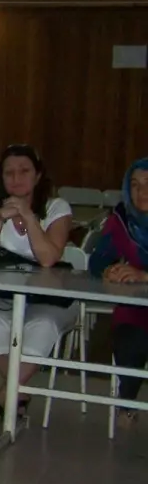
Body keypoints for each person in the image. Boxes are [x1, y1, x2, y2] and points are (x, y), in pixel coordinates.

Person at [0, 144, 76, 427]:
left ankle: (3, 399)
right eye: (9, 173)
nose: (16, 179)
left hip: (50, 300)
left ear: (38, 175)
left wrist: (29, 217)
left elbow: (49, 257)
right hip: (4, 297)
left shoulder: (56, 208)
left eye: (24, 171)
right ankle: (19, 393)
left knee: (41, 327)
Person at [87, 158, 148, 429]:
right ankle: (128, 404)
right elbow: (98, 258)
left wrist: (144, 275)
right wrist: (109, 269)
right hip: (135, 307)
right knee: (130, 339)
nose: (141, 192)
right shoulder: (122, 218)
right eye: (134, 185)